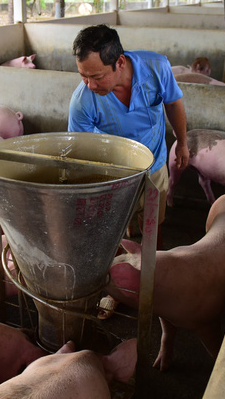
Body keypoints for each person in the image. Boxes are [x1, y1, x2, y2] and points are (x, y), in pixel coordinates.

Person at [68, 24, 189, 246]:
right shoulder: (82, 101)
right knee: (116, 228)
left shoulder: (157, 68)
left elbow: (173, 104)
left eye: (97, 76)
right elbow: (80, 150)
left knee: (154, 224)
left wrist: (182, 143)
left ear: (120, 63)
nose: (90, 84)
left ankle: (153, 260)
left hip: (155, 163)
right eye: (83, 76)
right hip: (115, 173)